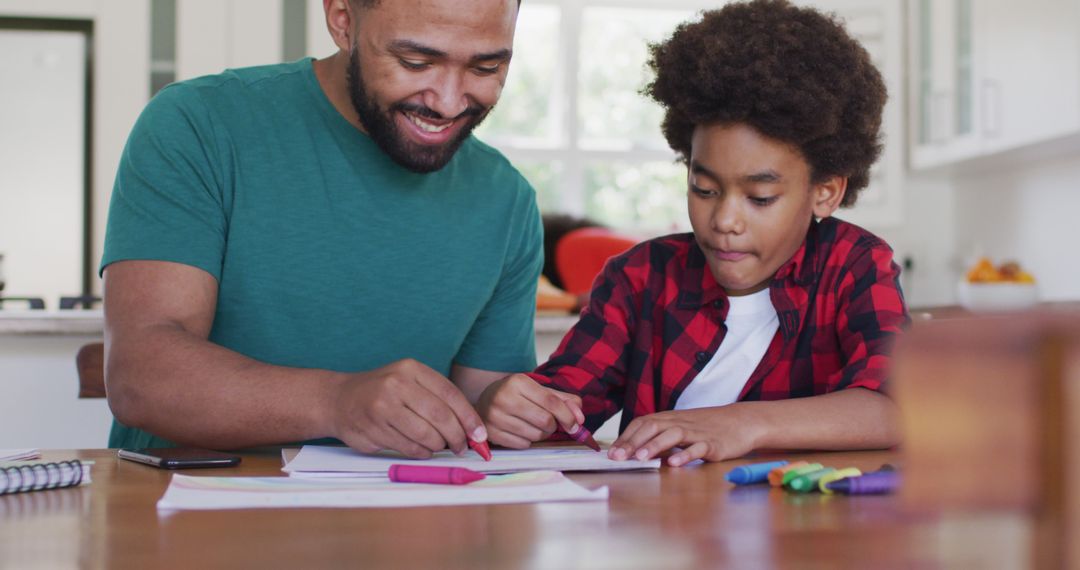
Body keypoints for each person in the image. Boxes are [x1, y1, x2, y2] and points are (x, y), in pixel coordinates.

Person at [100, 0, 542, 458]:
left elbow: (480, 404)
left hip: (404, 521)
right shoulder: (199, 125)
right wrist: (337, 403)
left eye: (486, 67)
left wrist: (508, 409)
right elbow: (140, 377)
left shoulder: (506, 199)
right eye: (416, 62)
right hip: (188, 513)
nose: (449, 101)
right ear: (342, 20)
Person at [477, 0, 908, 465]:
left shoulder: (855, 266)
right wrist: (506, 406)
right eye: (704, 189)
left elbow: (898, 407)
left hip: (803, 531)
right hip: (665, 529)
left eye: (760, 198)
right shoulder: (640, 278)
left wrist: (743, 421)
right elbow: (558, 405)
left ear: (824, 192)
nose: (724, 220)